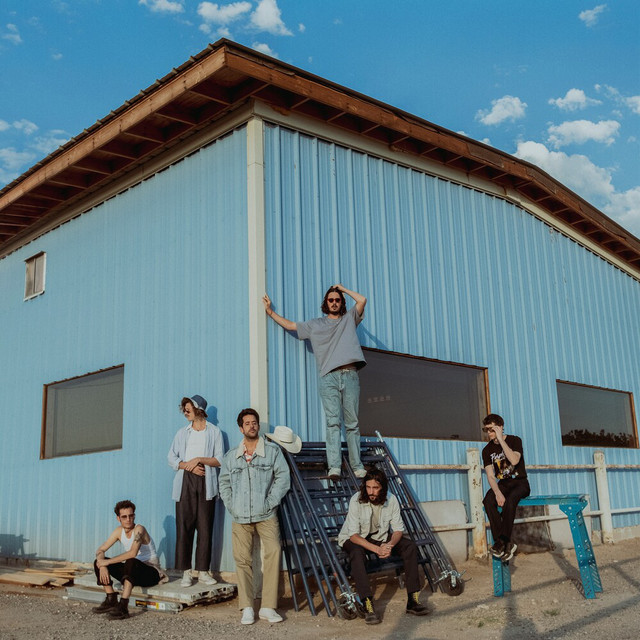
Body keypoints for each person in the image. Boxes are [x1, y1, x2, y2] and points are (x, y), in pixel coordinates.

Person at [263, 284, 367, 481]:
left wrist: (342, 288)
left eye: (337, 300)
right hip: (328, 377)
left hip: (350, 375)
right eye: (331, 300)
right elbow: (291, 326)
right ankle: (334, 467)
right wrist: (270, 312)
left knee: (352, 423)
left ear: (342, 302)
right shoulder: (315, 324)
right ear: (325, 303)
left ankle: (357, 466)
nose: (334, 303)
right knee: (333, 423)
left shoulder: (349, 319)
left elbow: (362, 300)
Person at [219, 409, 292, 625]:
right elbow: (224, 483)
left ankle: (268, 607)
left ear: (258, 426)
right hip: (240, 516)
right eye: (247, 423)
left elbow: (283, 478)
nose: (251, 426)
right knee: (242, 560)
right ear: (241, 428)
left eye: (254, 422)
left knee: (274, 552)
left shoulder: (272, 451)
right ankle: (247, 607)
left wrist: (270, 502)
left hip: (266, 514)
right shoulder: (231, 456)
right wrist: (232, 506)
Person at [337, 467, 428, 624]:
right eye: (368, 487)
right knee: (357, 554)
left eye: (375, 488)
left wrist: (390, 545)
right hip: (353, 539)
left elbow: (398, 530)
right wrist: (378, 549)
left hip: (379, 537)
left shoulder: (391, 500)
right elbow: (354, 536)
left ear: (383, 488)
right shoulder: (356, 500)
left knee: (409, 546)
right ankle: (367, 604)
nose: (371, 492)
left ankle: (413, 601)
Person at [168, 395, 224, 587]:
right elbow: (171, 458)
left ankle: (203, 572)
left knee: (205, 527)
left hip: (206, 482)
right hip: (185, 482)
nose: (185, 411)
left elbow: (220, 459)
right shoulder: (182, 433)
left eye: (188, 408)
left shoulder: (214, 432)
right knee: (184, 526)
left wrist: (199, 459)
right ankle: (186, 572)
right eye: (183, 408)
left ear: (199, 409)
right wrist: (188, 466)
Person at [93, 500, 167, 620]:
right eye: (124, 517)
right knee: (98, 562)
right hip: (132, 573)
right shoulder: (118, 531)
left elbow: (133, 553)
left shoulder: (139, 530)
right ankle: (111, 599)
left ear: (134, 516)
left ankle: (123, 607)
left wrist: (106, 562)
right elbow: (100, 550)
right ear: (118, 518)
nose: (128, 519)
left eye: (131, 516)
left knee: (131, 561)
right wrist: (102, 565)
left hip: (150, 573)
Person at [481, 413, 530, 562]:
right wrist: (497, 492)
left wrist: (501, 440)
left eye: (492, 429)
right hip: (503, 484)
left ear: (500, 427)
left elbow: (514, 460)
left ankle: (501, 542)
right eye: (487, 430)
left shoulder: (515, 440)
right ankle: (505, 544)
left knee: (511, 500)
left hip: (520, 482)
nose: (489, 433)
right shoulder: (486, 450)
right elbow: (490, 476)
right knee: (488, 501)